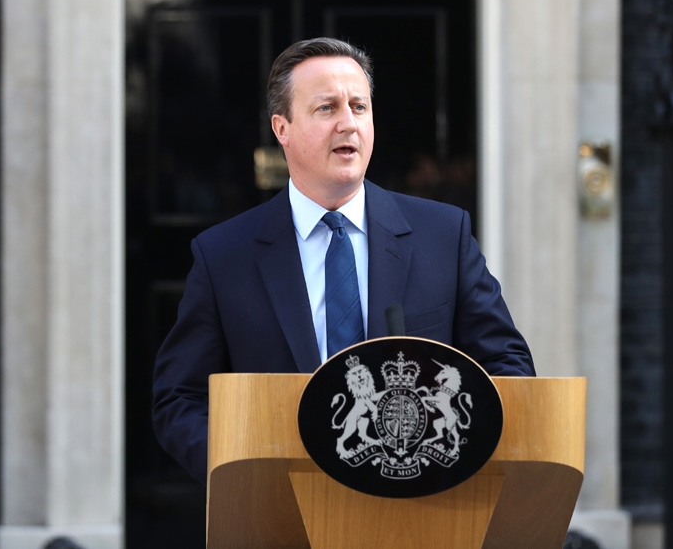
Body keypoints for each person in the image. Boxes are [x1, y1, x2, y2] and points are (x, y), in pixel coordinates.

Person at [152, 37, 534, 486]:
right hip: (280, 504)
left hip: (421, 501)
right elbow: (180, 398)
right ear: (282, 129)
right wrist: (241, 471)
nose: (348, 124)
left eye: (359, 106)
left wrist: (457, 462)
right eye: (327, 108)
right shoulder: (223, 256)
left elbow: (507, 367)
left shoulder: (444, 236)